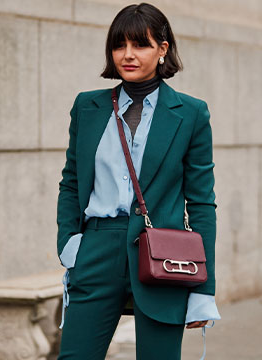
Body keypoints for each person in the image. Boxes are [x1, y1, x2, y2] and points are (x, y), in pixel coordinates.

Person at [56, 3, 221, 359]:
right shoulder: (88, 107)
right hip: (96, 249)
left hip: (163, 253)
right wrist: (69, 244)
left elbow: (202, 202)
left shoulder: (190, 113)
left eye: (140, 45)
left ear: (163, 49)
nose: (127, 55)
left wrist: (204, 287)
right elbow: (71, 182)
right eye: (119, 46)